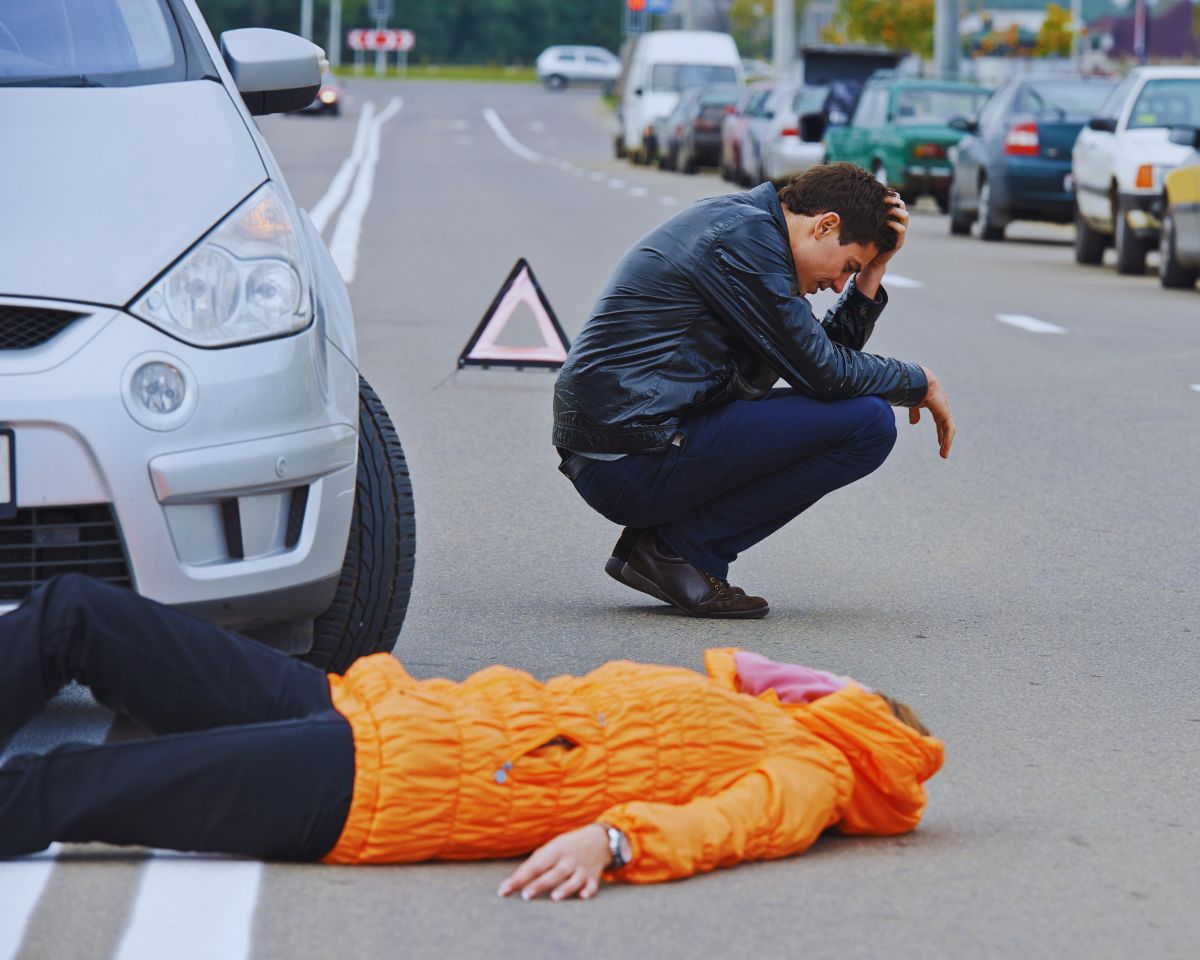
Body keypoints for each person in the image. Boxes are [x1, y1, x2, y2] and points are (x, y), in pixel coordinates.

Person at [0, 575, 943, 900]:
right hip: (370, 707)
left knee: (70, 783)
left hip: (376, 785)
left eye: (858, 690)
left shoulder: (812, 770)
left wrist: (612, 842)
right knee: (75, 613)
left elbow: (732, 827)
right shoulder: (771, 713)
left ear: (870, 719)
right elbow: (731, 664)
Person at [553, 163, 955, 619]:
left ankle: (669, 550)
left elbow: (821, 371)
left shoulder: (755, 233)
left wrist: (873, 272)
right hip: (628, 457)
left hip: (632, 444)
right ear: (826, 225)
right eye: (848, 267)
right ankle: (677, 551)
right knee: (868, 424)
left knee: (860, 415)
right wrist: (919, 380)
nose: (839, 284)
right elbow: (826, 374)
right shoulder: (745, 241)